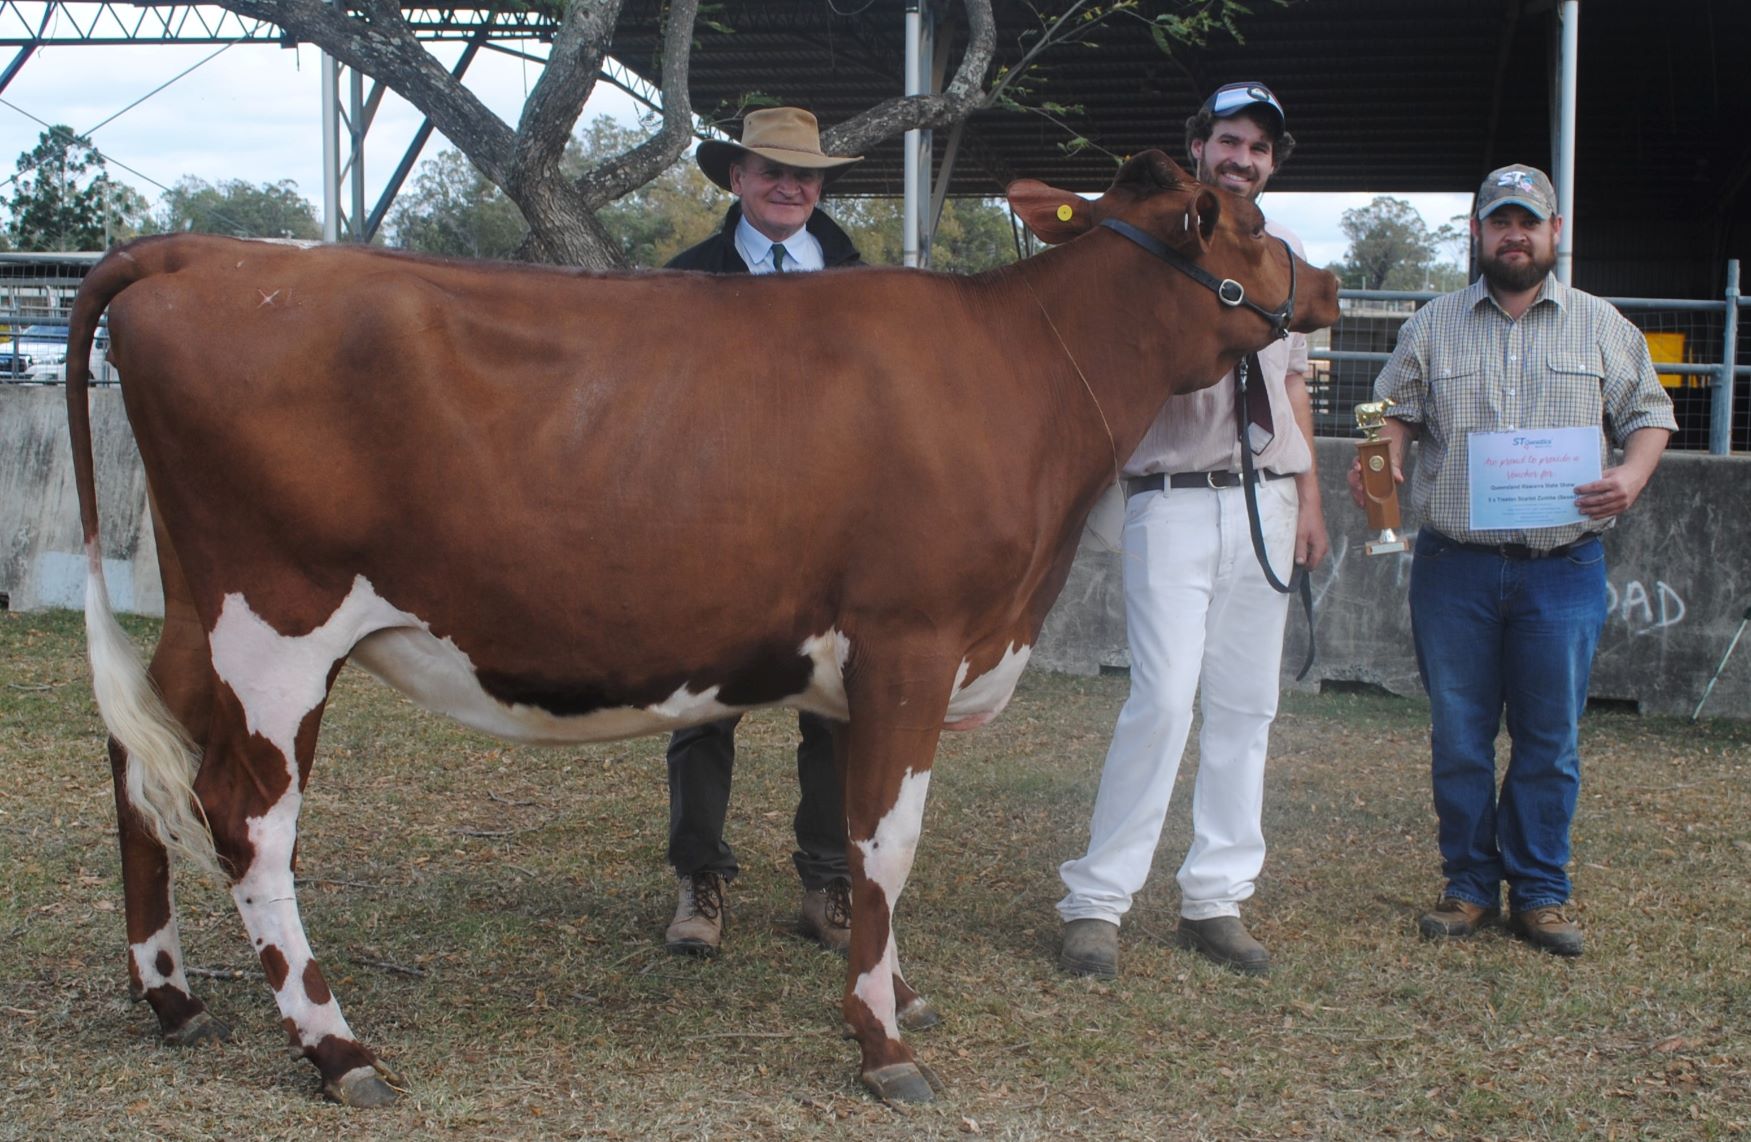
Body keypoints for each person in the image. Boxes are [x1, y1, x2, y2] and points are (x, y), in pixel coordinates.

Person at [1350, 163, 1676, 957]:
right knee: (1459, 735)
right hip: (1454, 566)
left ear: (1554, 232)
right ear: (1477, 233)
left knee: (1548, 737)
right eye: (1499, 221)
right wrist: (1381, 470)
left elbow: (1649, 412)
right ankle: (1466, 885)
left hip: (1561, 569)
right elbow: (1385, 416)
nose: (1514, 234)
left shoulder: (1602, 324)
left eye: (1528, 221)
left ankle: (1538, 891)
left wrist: (1630, 476)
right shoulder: (1429, 325)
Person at [1056, 81, 1329, 979]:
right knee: (1164, 696)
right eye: (1227, 141)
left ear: (1272, 162)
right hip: (1170, 492)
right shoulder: (1149, 240)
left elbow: (1291, 387)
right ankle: (1097, 900)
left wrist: (1310, 504)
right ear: (1199, 148)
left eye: (1257, 147)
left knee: (1247, 706)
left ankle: (1215, 897)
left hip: (1266, 497)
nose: (1240, 158)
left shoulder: (1281, 257)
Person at [661, 107, 863, 958]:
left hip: (832, 518)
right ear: (735, 178)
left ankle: (825, 882)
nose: (790, 186)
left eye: (806, 175)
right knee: (703, 705)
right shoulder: (684, 279)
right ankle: (697, 881)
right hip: (718, 518)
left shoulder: (860, 281)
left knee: (837, 708)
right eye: (770, 170)